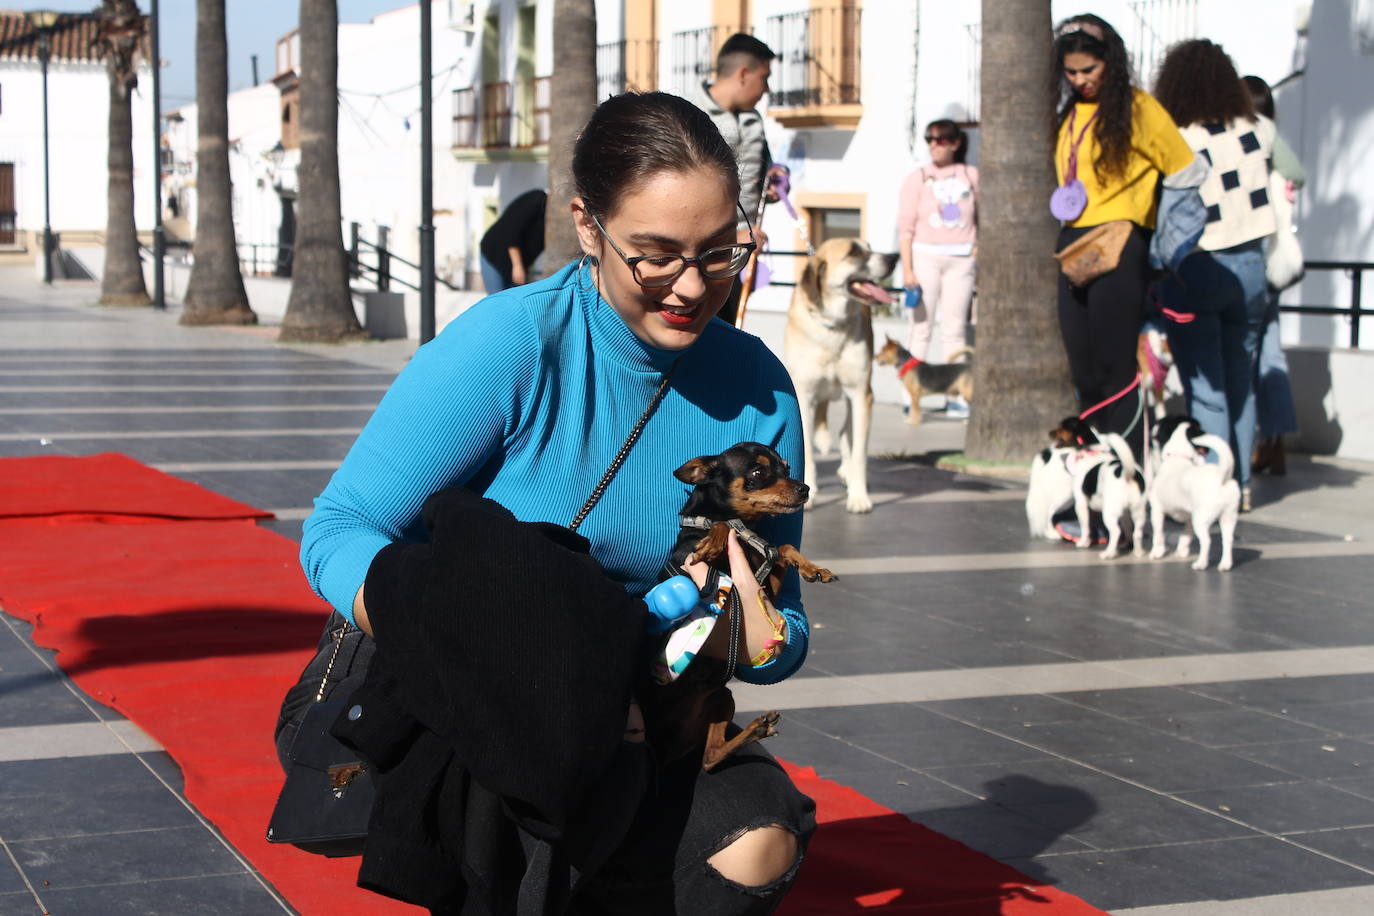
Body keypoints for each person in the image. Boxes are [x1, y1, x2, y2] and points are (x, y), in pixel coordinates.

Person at [300, 91, 815, 914]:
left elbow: (775, 628)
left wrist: (757, 626)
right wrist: (470, 640)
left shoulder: (757, 389)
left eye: (722, 253)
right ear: (588, 227)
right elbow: (337, 531)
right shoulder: (512, 345)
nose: (691, 286)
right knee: (540, 829)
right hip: (486, 694)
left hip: (648, 702)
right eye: (656, 254)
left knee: (755, 838)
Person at [1048, 15, 1198, 465]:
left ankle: (1128, 472)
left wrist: (1162, 246)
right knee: (1083, 369)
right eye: (1071, 73)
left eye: (1089, 71)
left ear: (1109, 63)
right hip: (1074, 244)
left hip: (1122, 240)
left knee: (1117, 368)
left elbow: (1188, 173)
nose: (1080, 81)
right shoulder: (1070, 113)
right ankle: (1094, 470)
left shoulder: (1139, 107)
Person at [1154, 41, 1278, 511]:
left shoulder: (1179, 135)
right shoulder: (1258, 128)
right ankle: (1241, 484)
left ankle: (1214, 486)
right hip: (1251, 264)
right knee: (1240, 380)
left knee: (1206, 389)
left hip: (1201, 264)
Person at [689, 32, 775, 325]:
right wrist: (729, 239)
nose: (766, 89)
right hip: (701, 257)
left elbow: (764, 169)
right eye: (764, 78)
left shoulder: (754, 119)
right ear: (743, 73)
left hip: (742, 253)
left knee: (729, 332)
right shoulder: (687, 113)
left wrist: (775, 180)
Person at [897, 119, 978, 417]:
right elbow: (905, 227)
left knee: (955, 328)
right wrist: (908, 268)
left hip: (962, 259)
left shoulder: (971, 175)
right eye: (929, 138)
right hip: (925, 257)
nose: (934, 144)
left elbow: (982, 218)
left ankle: (956, 396)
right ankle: (911, 394)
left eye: (941, 139)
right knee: (920, 328)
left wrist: (977, 250)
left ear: (956, 143)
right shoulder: (916, 177)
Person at [1243, 74, 1304, 476]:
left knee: (1244, 359)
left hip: (1252, 262)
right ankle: (1275, 442)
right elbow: (1296, 173)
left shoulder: (1254, 139)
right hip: (1277, 265)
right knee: (1271, 353)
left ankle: (1245, 447)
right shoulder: (1276, 146)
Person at [478, 187, 546, 291]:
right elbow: (511, 231)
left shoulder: (558, 221)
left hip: (517, 267)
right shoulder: (538, 199)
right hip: (494, 256)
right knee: (498, 302)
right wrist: (517, 266)